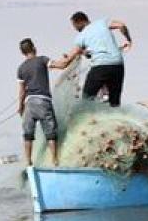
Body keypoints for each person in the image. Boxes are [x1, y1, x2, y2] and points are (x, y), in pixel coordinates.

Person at [59, 11, 133, 107]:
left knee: (87, 98)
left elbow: (69, 58)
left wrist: (57, 63)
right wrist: (128, 39)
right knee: (114, 101)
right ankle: (115, 117)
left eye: (74, 26)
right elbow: (121, 25)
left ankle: (90, 119)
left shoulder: (81, 36)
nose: (75, 29)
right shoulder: (102, 23)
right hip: (118, 64)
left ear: (79, 22)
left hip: (100, 67)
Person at [17, 38, 70, 167]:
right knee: (51, 133)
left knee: (28, 134)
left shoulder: (21, 68)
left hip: (29, 104)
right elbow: (61, 65)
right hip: (43, 102)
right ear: (34, 48)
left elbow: (21, 91)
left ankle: (29, 162)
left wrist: (20, 107)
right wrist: (71, 58)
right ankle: (55, 160)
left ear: (23, 53)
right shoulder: (42, 60)